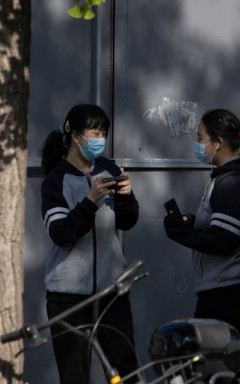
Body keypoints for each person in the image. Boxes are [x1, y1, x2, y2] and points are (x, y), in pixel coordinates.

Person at [40, 104, 140, 384]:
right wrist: (90, 201)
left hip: (112, 291)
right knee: (75, 375)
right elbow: (61, 233)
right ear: (75, 136)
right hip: (68, 296)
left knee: (125, 369)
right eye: (95, 132)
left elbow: (128, 221)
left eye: (104, 133)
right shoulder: (55, 181)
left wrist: (126, 197)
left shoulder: (108, 169)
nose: (100, 139)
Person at [163, 109, 240, 339]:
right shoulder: (223, 178)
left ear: (218, 142)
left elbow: (225, 241)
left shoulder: (233, 183)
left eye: (200, 138)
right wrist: (192, 223)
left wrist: (182, 233)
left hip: (226, 297)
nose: (197, 144)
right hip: (218, 292)